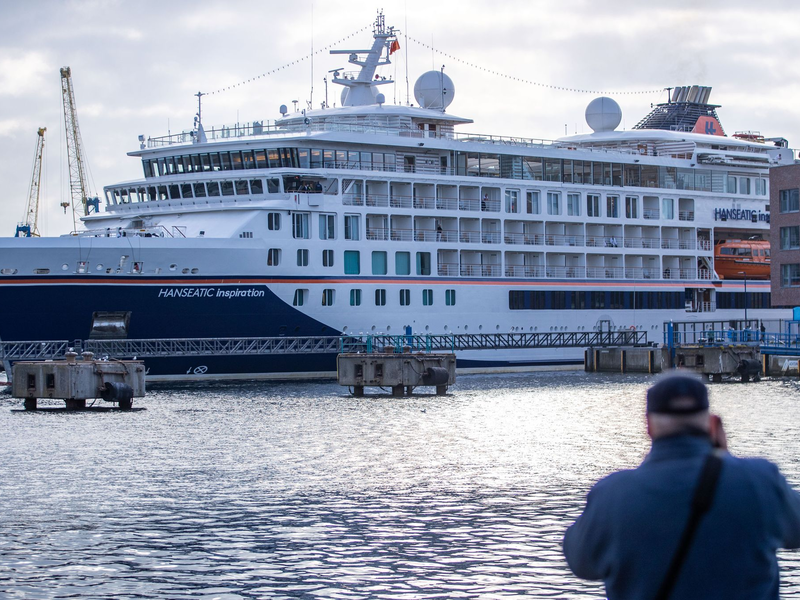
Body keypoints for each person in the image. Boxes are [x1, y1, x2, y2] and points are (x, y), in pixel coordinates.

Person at [563, 374, 800, 599]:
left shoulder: (612, 494)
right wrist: (724, 461)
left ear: (649, 426)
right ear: (711, 423)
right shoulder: (761, 480)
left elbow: (581, 563)